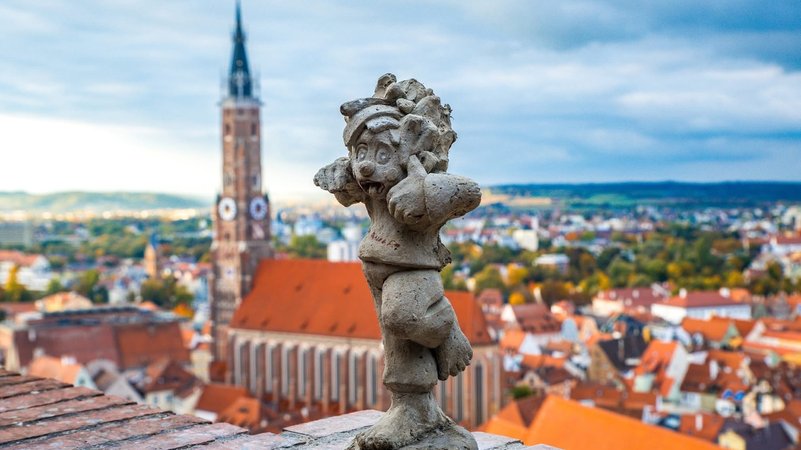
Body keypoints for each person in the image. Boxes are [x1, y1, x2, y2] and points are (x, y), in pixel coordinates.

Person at [314, 74, 481, 449]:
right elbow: (350, 184)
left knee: (402, 315)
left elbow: (470, 192)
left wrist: (426, 192)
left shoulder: (420, 185)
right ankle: (412, 409)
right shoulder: (372, 182)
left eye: (382, 155)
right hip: (375, 267)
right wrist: (339, 176)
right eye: (360, 153)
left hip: (414, 269)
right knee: (397, 345)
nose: (367, 166)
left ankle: (447, 331)